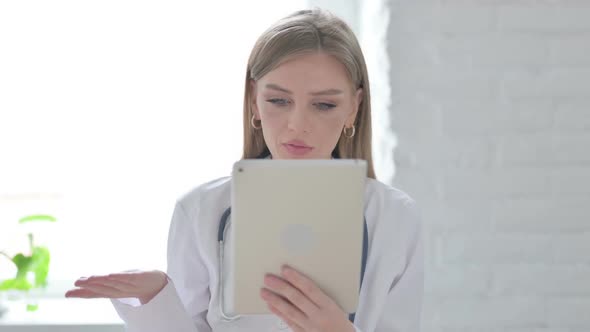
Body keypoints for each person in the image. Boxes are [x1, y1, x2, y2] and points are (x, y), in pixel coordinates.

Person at [65, 8, 423, 332]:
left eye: (325, 104)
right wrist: (155, 299)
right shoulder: (200, 211)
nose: (297, 124)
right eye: (278, 100)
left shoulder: (394, 217)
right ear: (254, 99)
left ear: (354, 108)